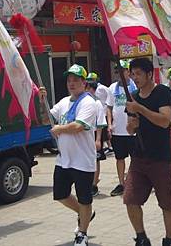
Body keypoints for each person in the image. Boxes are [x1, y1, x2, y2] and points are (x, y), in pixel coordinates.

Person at [124, 58, 171, 246]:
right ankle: (141, 237)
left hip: (160, 158)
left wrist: (141, 109)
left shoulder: (162, 92)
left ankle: (169, 240)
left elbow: (164, 121)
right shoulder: (133, 96)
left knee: (167, 204)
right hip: (138, 158)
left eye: (138, 73)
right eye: (132, 73)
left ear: (149, 74)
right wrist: (132, 125)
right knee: (130, 199)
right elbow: (130, 128)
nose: (135, 77)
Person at [50, 64, 98, 246]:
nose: (72, 83)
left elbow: (78, 126)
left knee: (85, 198)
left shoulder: (88, 102)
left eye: (76, 80)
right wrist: (41, 100)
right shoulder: (63, 102)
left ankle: (82, 234)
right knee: (61, 195)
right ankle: (84, 213)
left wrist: (59, 129)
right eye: (69, 80)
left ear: (84, 83)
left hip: (82, 160)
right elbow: (48, 117)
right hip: (63, 159)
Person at [106, 60, 137, 197]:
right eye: (118, 71)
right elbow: (109, 107)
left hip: (132, 131)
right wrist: (109, 124)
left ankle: (134, 181)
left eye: (123, 70)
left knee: (135, 158)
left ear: (129, 72)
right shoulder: (112, 88)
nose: (120, 73)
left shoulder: (135, 86)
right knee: (119, 158)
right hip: (118, 130)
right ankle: (121, 183)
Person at [86, 79, 108, 196]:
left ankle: (94, 184)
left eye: (87, 88)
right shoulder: (83, 102)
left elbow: (100, 122)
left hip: (94, 134)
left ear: (92, 89)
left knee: (96, 159)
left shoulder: (97, 103)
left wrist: (98, 139)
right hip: (85, 134)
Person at [87, 72, 112, 153]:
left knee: (103, 132)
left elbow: (110, 95)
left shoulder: (102, 88)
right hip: (96, 114)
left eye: (91, 80)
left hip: (103, 112)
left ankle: (109, 146)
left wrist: (108, 105)